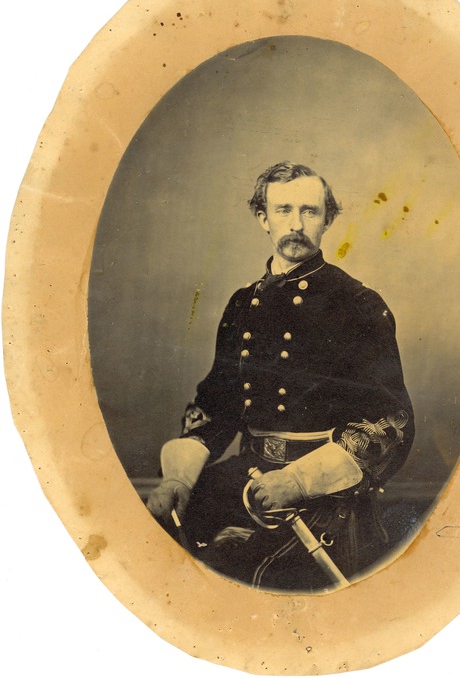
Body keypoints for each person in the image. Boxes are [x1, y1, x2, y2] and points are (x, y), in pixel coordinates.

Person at [147, 161, 414, 592]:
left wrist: (297, 480)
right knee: (162, 559)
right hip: (247, 479)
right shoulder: (241, 305)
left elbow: (391, 422)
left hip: (324, 493)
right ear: (263, 218)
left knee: (244, 580)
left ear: (327, 220)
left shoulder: (358, 304)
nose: (296, 224)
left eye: (310, 211)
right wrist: (179, 477)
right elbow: (216, 405)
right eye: (283, 210)